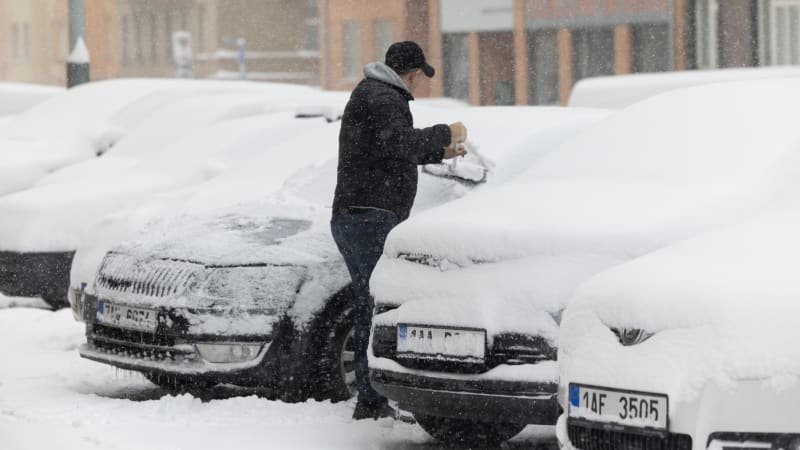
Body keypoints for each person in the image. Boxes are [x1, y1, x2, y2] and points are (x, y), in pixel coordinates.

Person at [330, 41, 468, 420]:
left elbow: (391, 150)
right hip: (368, 216)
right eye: (420, 77)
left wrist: (442, 152)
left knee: (369, 306)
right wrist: (445, 132)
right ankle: (371, 401)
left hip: (360, 215)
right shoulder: (385, 98)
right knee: (372, 310)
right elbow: (399, 143)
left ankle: (372, 398)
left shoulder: (373, 94)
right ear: (410, 74)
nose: (420, 85)